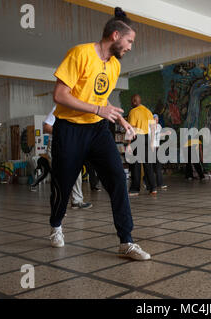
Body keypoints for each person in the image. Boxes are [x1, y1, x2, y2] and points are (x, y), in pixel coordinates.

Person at [49, 7, 150, 261]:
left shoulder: (114, 66)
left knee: (117, 178)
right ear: (115, 36)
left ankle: (126, 241)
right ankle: (56, 224)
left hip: (97, 129)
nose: (130, 47)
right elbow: (60, 95)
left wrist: (123, 121)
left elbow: (102, 100)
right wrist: (98, 109)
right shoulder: (80, 53)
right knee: (62, 183)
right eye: (129, 41)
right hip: (69, 129)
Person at [37, 106, 93, 210]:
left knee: (76, 172)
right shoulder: (59, 108)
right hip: (57, 144)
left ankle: (77, 201)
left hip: (71, 144)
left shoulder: (80, 110)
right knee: (59, 176)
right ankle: (58, 207)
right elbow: (46, 127)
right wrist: (65, 133)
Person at [126, 94, 157, 196]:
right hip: (146, 138)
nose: (131, 102)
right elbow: (153, 127)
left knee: (136, 165)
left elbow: (131, 129)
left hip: (137, 138)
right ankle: (152, 188)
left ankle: (135, 189)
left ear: (134, 101)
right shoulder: (147, 111)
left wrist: (129, 144)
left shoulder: (133, 112)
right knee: (148, 165)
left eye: (131, 100)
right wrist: (152, 142)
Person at [144, 113, 170, 189]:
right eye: (155, 119)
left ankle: (160, 183)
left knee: (158, 167)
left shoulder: (159, 126)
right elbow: (150, 136)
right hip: (151, 148)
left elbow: (159, 135)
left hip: (157, 148)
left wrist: (165, 133)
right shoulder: (148, 127)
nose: (156, 121)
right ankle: (145, 180)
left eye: (157, 119)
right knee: (150, 167)